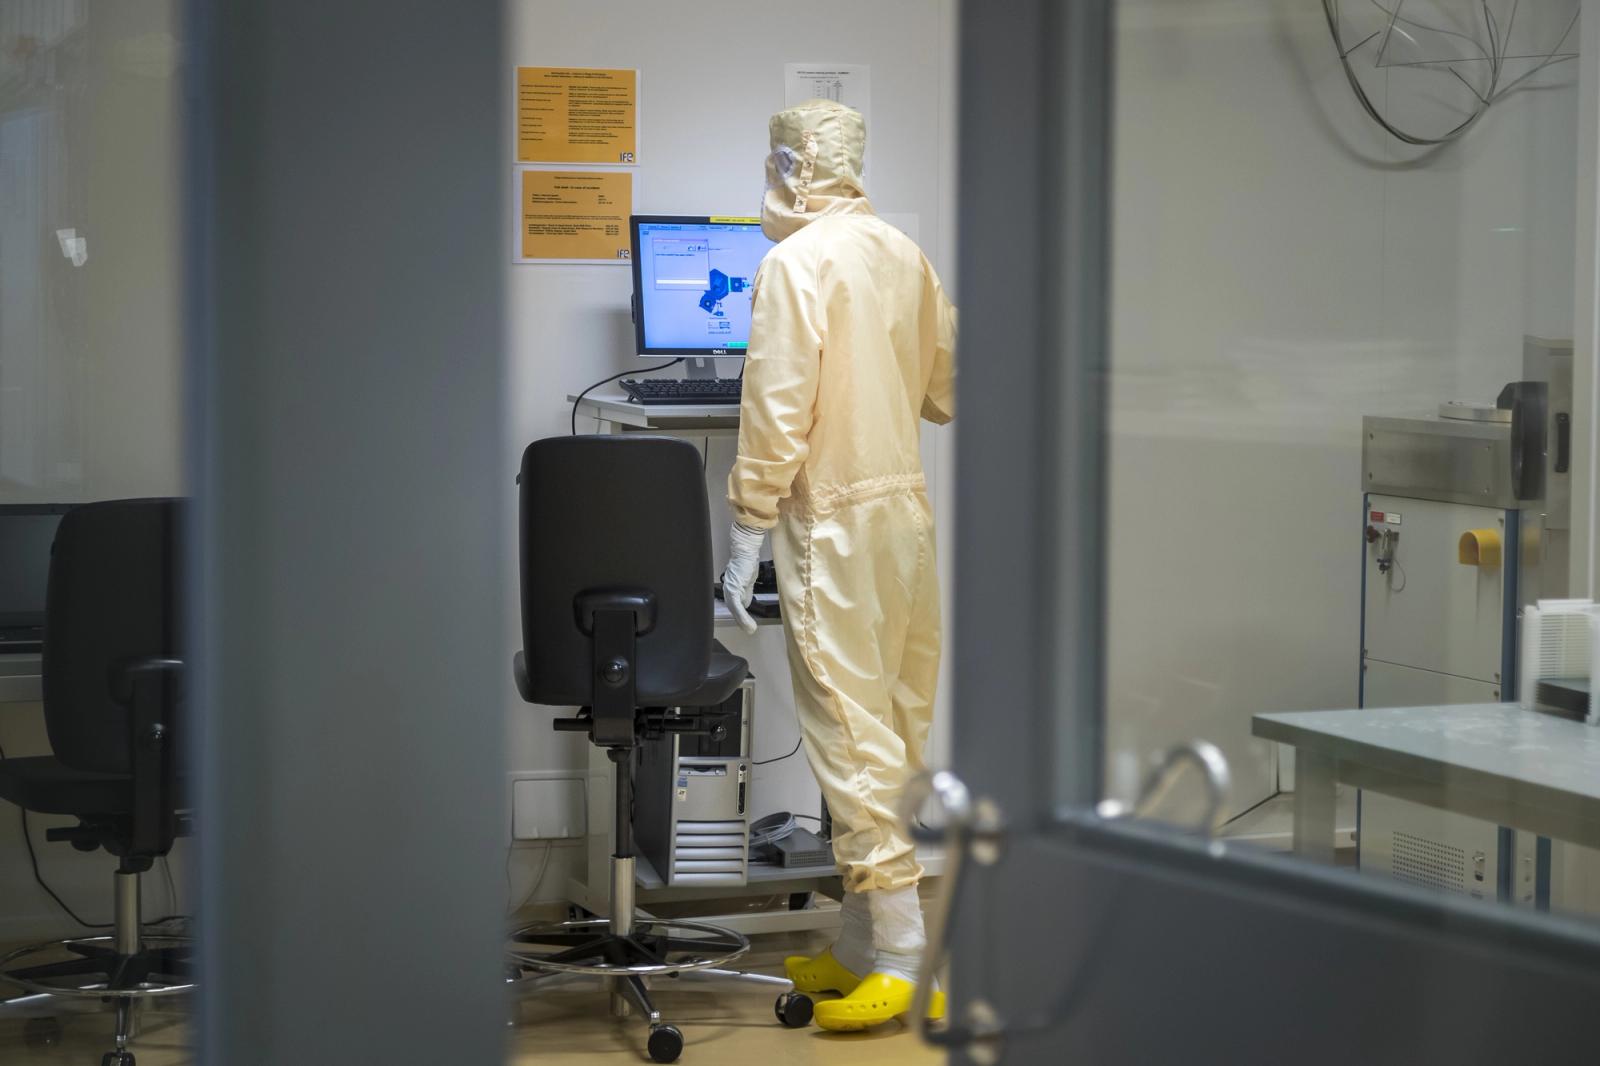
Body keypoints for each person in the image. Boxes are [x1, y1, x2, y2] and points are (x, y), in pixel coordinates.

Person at [720, 99, 956, 1032]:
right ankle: (860, 944)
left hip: (834, 526)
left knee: (852, 743)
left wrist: (748, 523)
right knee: (894, 728)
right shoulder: (904, 253)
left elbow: (777, 406)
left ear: (790, 166)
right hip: (905, 520)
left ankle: (901, 953)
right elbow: (944, 389)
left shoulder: (793, 263)